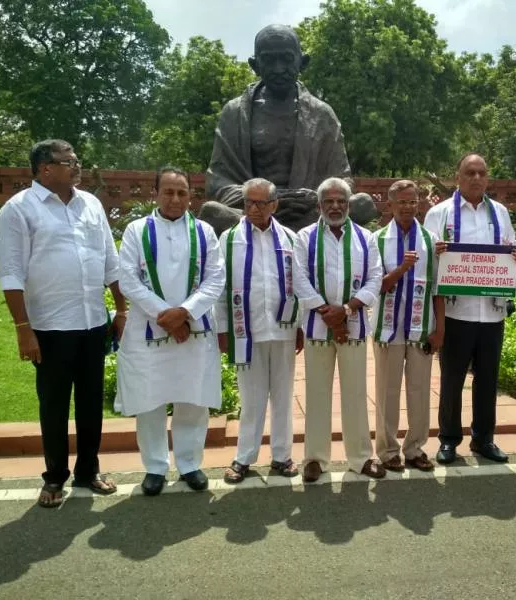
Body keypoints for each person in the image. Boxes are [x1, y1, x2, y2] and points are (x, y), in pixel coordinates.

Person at [0, 139, 127, 508]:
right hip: (50, 327)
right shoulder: (19, 210)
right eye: (67, 161)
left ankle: (89, 470)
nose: (76, 166)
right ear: (44, 168)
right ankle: (54, 477)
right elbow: (10, 274)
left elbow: (109, 261)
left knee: (89, 403)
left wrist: (121, 309)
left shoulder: (91, 204)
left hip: (92, 322)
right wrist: (24, 328)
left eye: (77, 160)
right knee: (53, 405)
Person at [115, 167, 225, 496]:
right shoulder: (137, 230)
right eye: (168, 192)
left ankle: (190, 463)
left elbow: (216, 278)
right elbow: (128, 280)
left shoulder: (204, 231)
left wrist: (184, 314)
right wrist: (165, 315)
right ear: (156, 193)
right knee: (150, 399)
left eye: (181, 192)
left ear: (191, 195)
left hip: (194, 328)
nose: (175, 198)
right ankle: (155, 467)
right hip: (150, 330)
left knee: (193, 397)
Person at [202, 24, 356, 234]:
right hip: (253, 213)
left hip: (308, 212)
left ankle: (288, 230)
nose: (278, 68)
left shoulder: (322, 114)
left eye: (286, 59)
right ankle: (277, 226)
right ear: (255, 65)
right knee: (212, 212)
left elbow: (342, 179)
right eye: (268, 60)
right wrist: (267, 200)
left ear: (302, 62)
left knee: (362, 204)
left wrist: (312, 197)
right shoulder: (234, 113)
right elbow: (217, 183)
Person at [422, 153, 516, 465]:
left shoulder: (499, 212)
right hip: (455, 312)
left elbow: (509, 253)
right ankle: (448, 439)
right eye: (470, 172)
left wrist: (512, 258)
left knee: (488, 379)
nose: (476, 178)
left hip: (491, 312)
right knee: (452, 379)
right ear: (457, 177)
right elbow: (427, 264)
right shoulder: (440, 213)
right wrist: (436, 254)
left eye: (481, 173)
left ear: (488, 178)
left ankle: (483, 438)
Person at [293, 177, 385, 482]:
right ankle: (315, 459)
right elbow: (299, 279)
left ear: (349, 205)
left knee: (356, 394)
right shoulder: (305, 238)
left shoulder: (365, 238)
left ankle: (360, 458)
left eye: (341, 201)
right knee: (317, 394)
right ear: (320, 205)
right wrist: (325, 311)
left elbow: (375, 278)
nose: (335, 206)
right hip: (317, 328)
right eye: (329, 201)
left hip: (354, 325)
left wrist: (345, 310)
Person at [216, 178, 303, 483]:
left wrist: (301, 325)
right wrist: (223, 328)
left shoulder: (291, 239)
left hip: (283, 329)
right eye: (248, 202)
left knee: (282, 395)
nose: (253, 208)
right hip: (246, 330)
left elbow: (301, 285)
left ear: (274, 204)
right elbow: (220, 288)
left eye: (260, 203)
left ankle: (282, 456)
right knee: (251, 399)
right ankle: (244, 458)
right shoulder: (229, 240)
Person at [371, 180, 444, 472]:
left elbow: (438, 288)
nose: (408, 207)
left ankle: (415, 448)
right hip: (387, 329)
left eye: (413, 202)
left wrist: (440, 329)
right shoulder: (376, 241)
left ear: (420, 204)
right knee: (387, 391)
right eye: (402, 202)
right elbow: (375, 286)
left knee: (419, 390)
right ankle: (388, 450)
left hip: (420, 328)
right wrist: (401, 268)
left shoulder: (430, 241)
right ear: (390, 205)